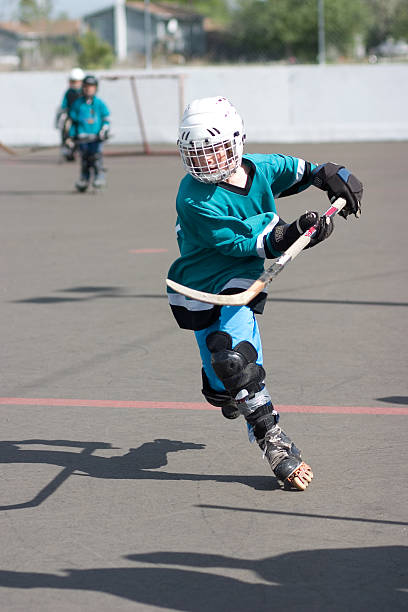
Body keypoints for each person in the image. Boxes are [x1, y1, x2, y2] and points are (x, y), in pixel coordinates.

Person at [166, 96, 363, 491]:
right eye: (196, 155)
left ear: (236, 142)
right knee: (222, 379)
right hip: (196, 285)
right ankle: (221, 390)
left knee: (236, 361)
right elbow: (242, 243)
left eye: (212, 152)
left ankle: (273, 440)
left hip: (239, 283)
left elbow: (302, 171)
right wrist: (293, 234)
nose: (204, 163)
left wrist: (331, 174)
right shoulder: (192, 197)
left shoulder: (260, 168)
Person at [68, 75, 110, 191]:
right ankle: (84, 178)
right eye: (86, 87)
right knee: (85, 159)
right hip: (82, 137)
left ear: (96, 88)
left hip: (96, 137)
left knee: (96, 157)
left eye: (91, 87)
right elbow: (73, 122)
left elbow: (106, 119)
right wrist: (71, 136)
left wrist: (104, 130)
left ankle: (99, 176)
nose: (89, 89)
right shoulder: (78, 104)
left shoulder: (99, 103)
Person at [55, 67, 84, 161]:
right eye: (72, 81)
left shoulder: (84, 93)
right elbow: (64, 105)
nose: (74, 84)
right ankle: (67, 147)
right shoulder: (69, 93)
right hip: (71, 117)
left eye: (76, 81)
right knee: (66, 130)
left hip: (82, 118)